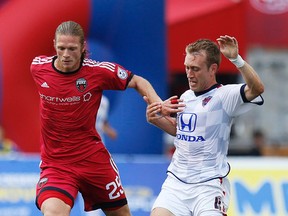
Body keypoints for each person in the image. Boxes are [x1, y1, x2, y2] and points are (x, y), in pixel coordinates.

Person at [30, 21, 178, 216]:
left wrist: (158, 103)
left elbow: (137, 81)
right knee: (52, 213)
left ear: (83, 47)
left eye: (72, 49)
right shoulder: (38, 67)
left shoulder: (98, 72)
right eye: (61, 48)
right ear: (54, 45)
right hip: (56, 164)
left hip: (93, 160)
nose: (66, 54)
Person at [144, 35, 264, 216]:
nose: (189, 74)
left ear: (212, 69)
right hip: (176, 183)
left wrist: (236, 60)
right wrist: (155, 119)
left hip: (209, 185)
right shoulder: (185, 96)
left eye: (195, 69)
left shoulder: (225, 95)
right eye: (186, 67)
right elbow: (183, 133)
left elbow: (257, 89)